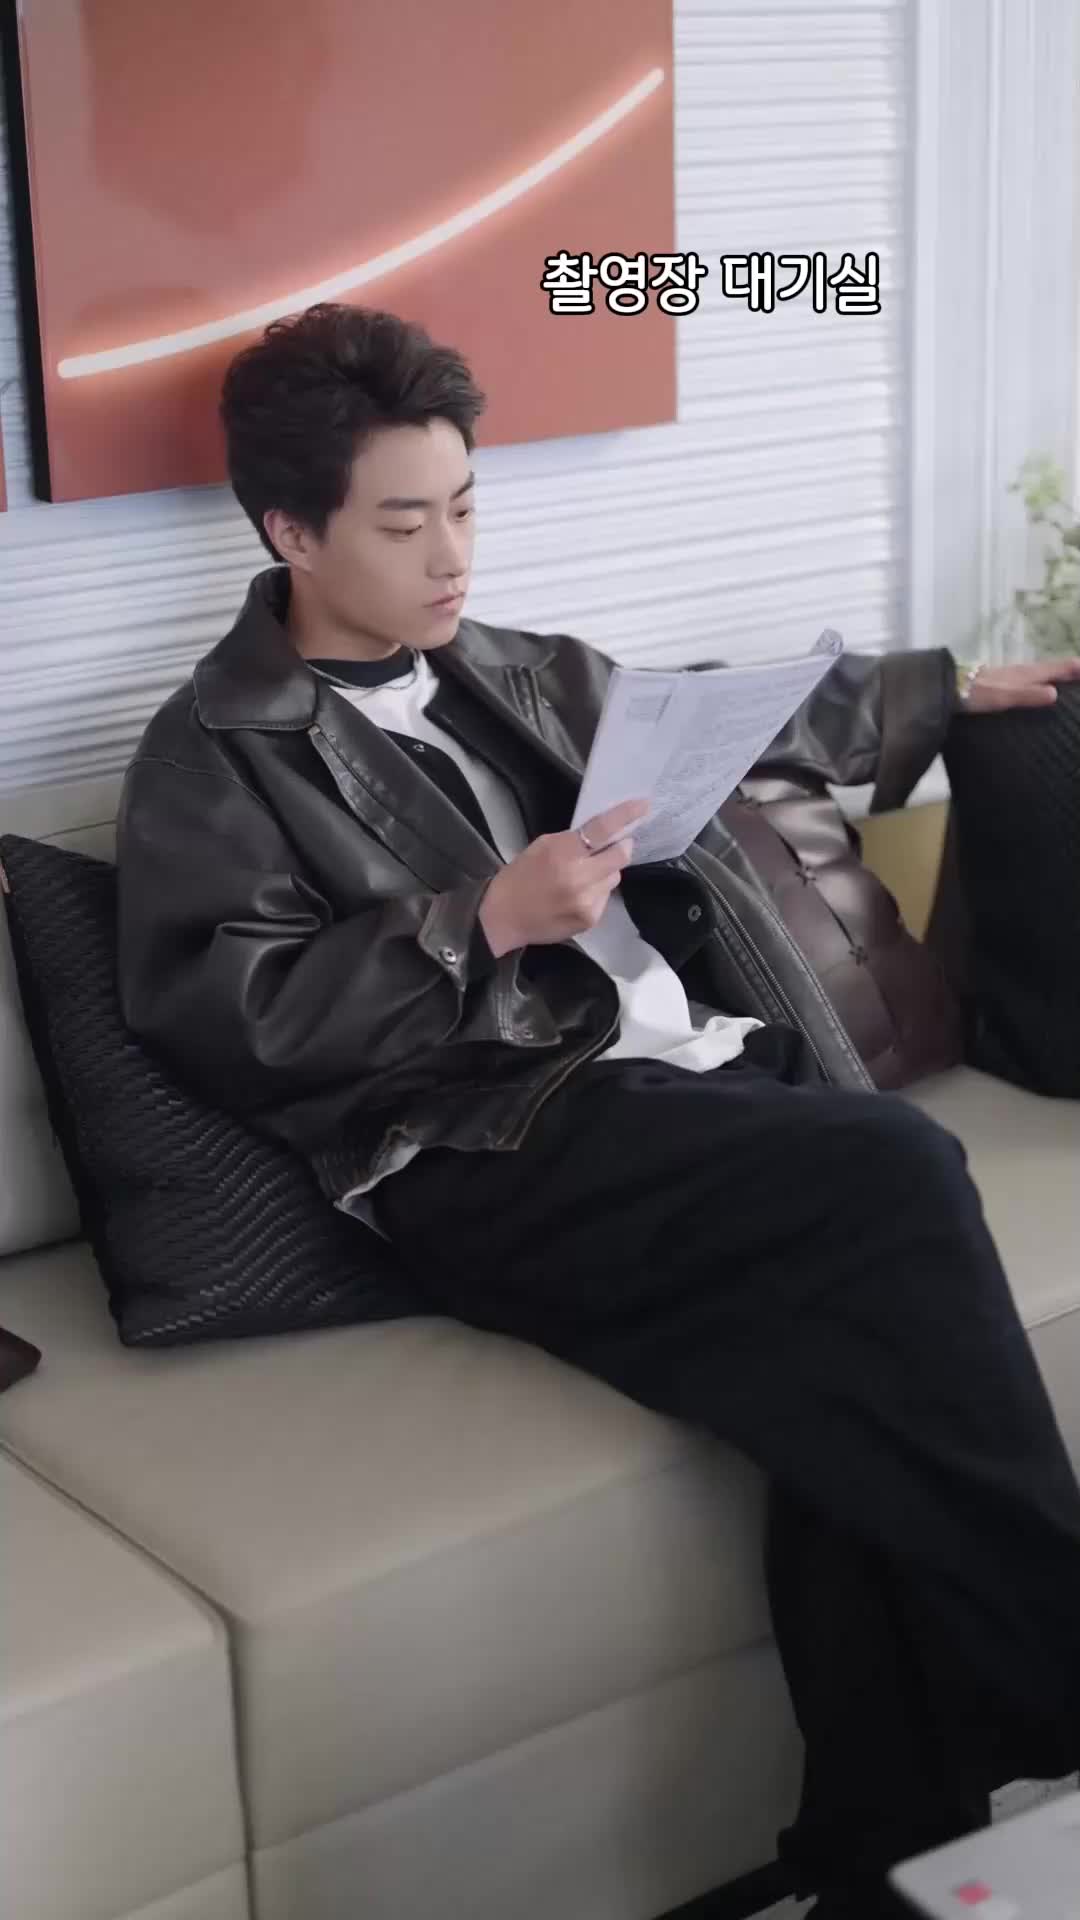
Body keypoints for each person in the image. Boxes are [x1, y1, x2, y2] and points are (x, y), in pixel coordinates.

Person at [116, 303, 1080, 1919]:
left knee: (835, 1396)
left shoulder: (517, 671)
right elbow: (230, 1018)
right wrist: (480, 923)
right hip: (484, 1143)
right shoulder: (212, 756)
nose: (451, 555)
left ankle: (876, 1861)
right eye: (403, 523)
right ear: (290, 532)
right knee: (898, 1172)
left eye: (465, 504)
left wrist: (951, 692)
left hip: (674, 1094)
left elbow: (755, 714)